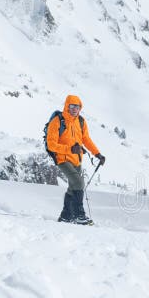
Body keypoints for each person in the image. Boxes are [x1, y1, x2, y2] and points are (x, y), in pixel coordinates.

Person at [46, 94, 106, 224]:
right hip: (62, 159)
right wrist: (70, 150)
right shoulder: (57, 121)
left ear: (80, 108)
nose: (74, 109)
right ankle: (79, 215)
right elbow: (51, 144)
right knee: (79, 183)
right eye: (72, 106)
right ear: (67, 106)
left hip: (76, 159)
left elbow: (86, 140)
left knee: (73, 187)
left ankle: (65, 216)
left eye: (77, 107)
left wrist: (97, 154)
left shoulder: (81, 121)